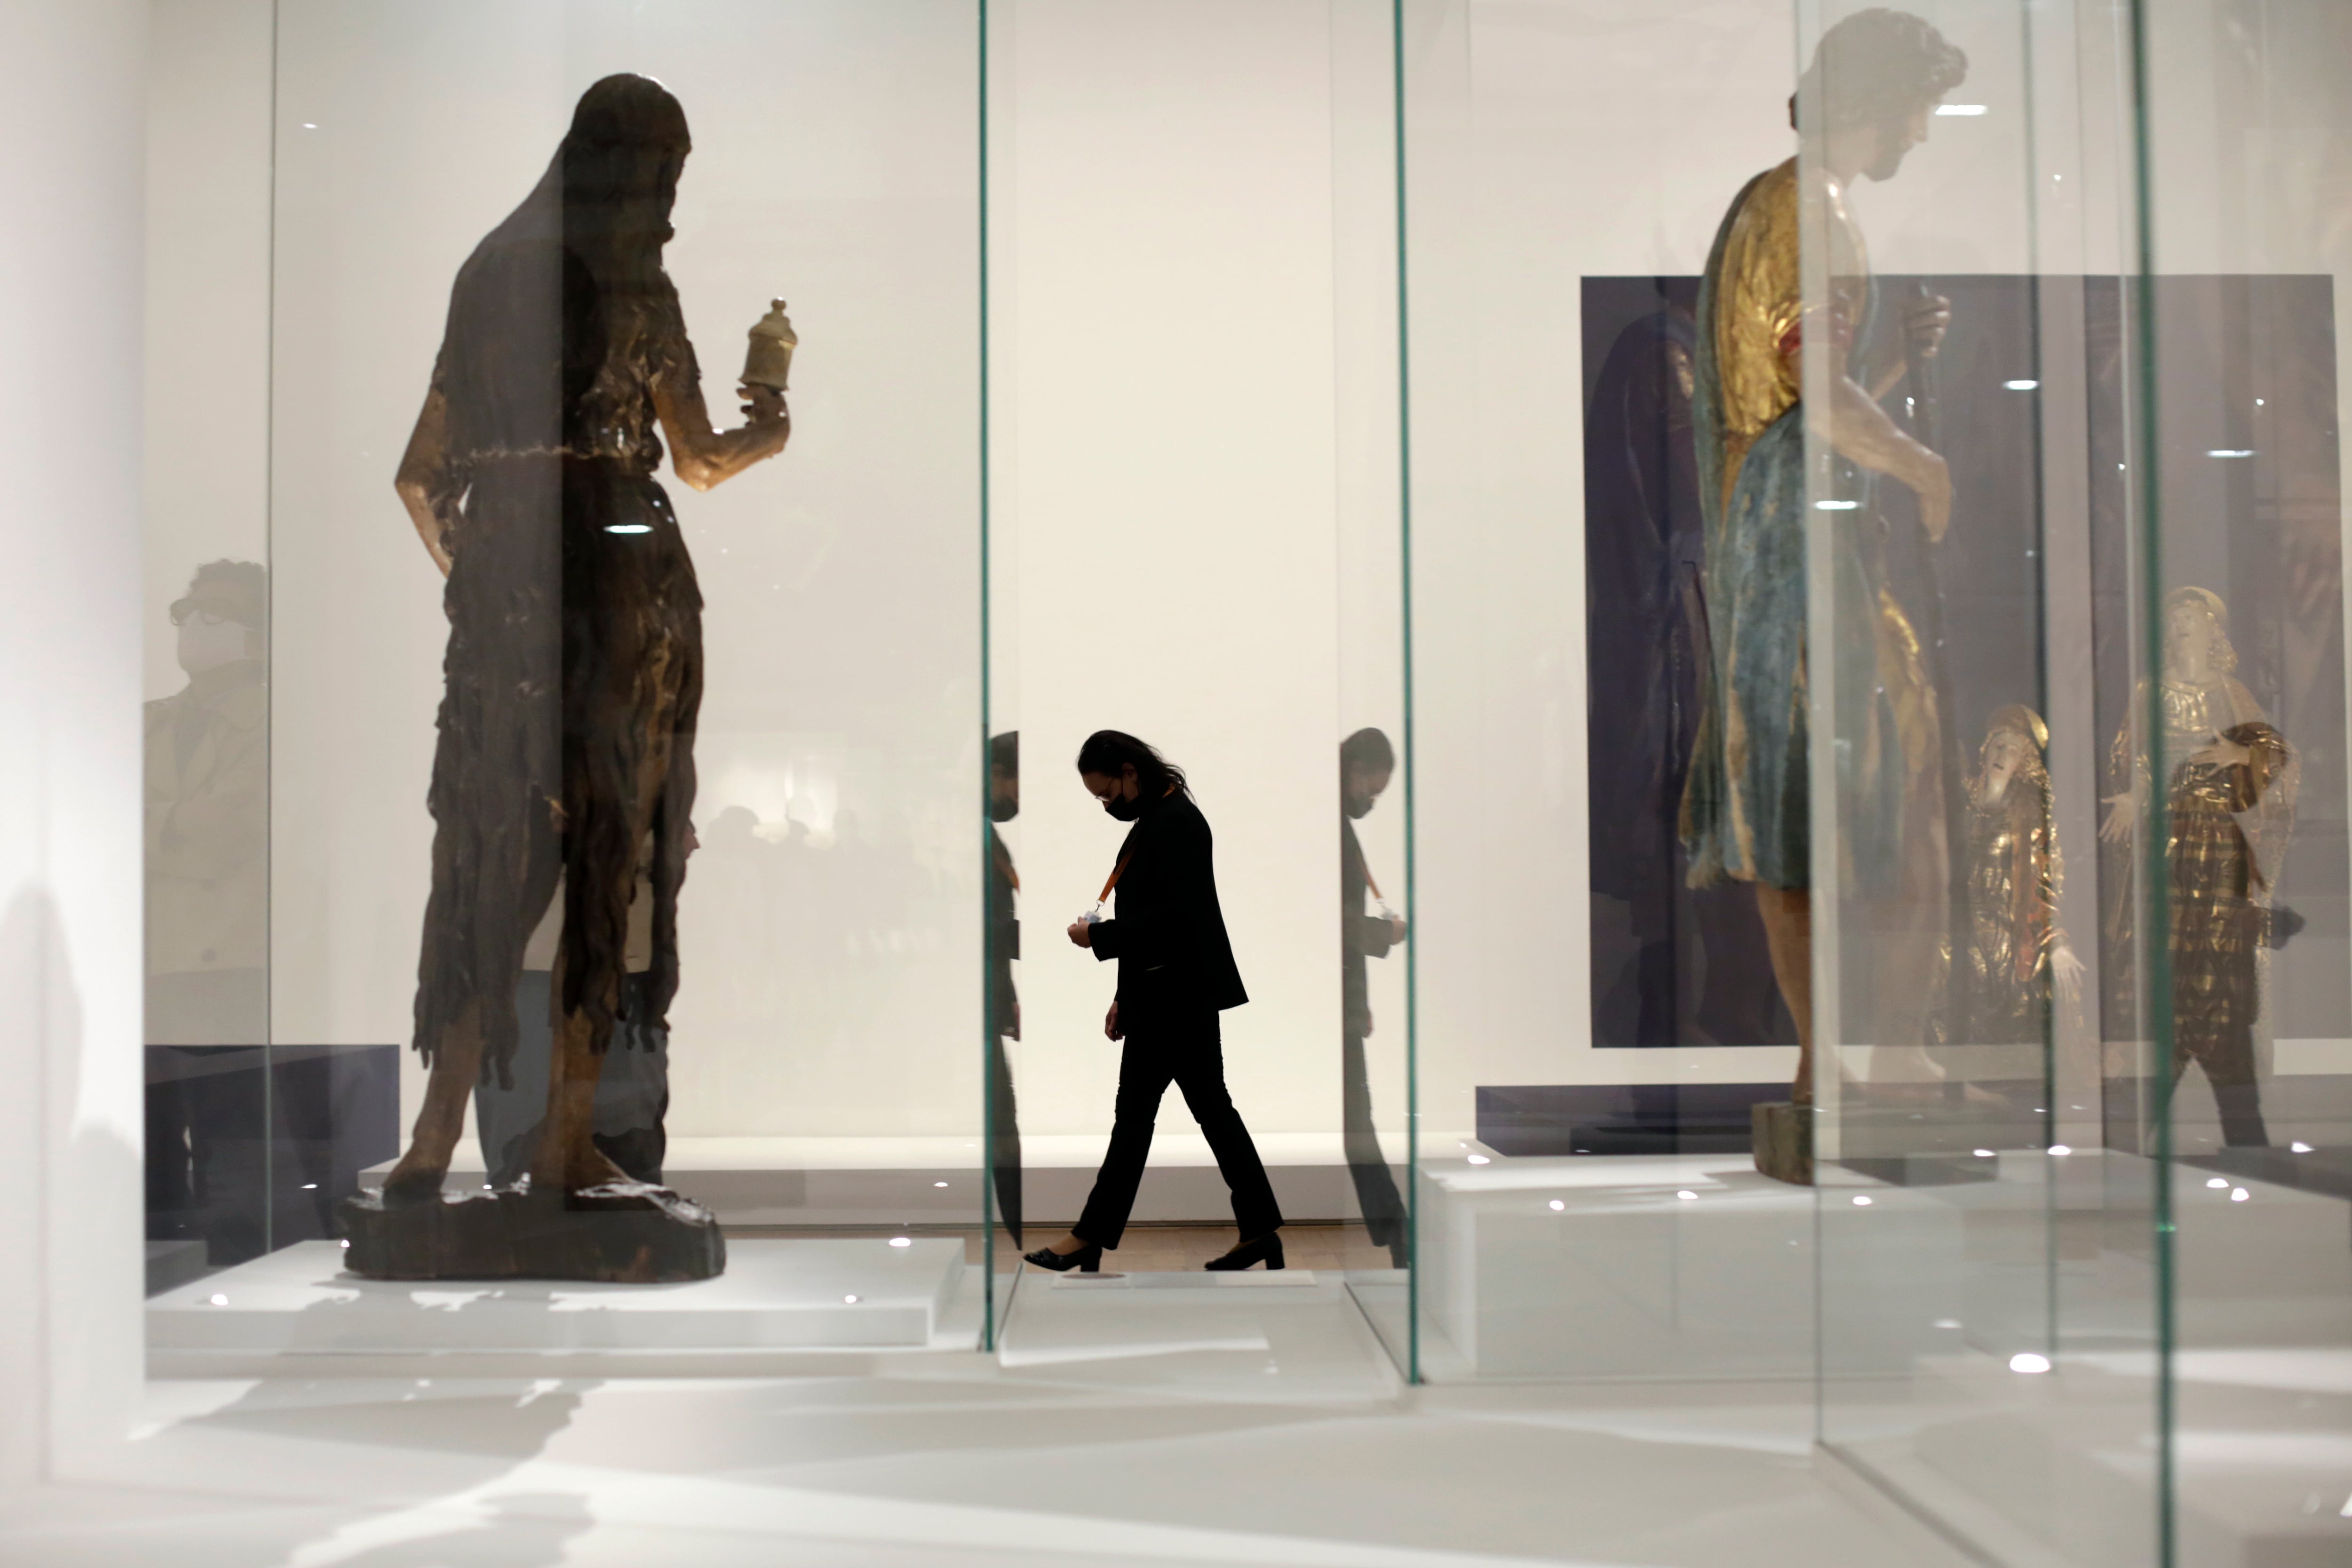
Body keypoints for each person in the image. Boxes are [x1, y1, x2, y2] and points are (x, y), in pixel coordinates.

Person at [380, 74, 792, 1204]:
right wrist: (777, 433)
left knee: (484, 862)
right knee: (610, 858)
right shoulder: (635, 286)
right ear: (643, 169)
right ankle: (566, 1142)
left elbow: (419, 481)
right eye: (668, 171)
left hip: (504, 612)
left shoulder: (485, 276)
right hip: (628, 589)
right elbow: (700, 460)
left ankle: (430, 1147)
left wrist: (497, 590)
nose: (668, 198)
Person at [1679, 9, 1967, 1157]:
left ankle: (1865, 1056)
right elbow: (1815, 400)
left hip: (1804, 532)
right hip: (1785, 546)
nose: (1925, 135)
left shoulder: (1809, 204)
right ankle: (1839, 1062)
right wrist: (1924, 463)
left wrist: (1894, 372)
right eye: (1922, 109)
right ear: (1880, 97)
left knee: (1878, 780)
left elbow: (1807, 386)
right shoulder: (1798, 206)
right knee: (1822, 791)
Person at [1025, 731, 1284, 1272]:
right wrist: (1124, 993)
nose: (1107, 805)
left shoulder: (1178, 824)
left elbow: (1175, 919)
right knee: (1209, 1114)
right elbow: (1163, 918)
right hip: (1168, 993)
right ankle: (1259, 1229)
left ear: (1129, 772)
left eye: (1107, 794)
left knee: (1138, 1119)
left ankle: (1090, 1236)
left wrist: (1099, 938)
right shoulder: (1161, 820)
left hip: (1175, 997)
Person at [2100, 588, 2294, 1147]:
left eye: (2193, 617)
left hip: (2219, 842)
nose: (2181, 624)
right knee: (2159, 947)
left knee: (2219, 954)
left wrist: (2243, 756)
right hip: (2165, 839)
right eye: (2175, 617)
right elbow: (2131, 756)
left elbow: (2276, 756)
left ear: (2214, 633)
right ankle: (2161, 1061)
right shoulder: (2148, 693)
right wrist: (2135, 795)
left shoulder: (2231, 695)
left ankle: (2225, 1064)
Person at [1339, 729, 1408, 1267]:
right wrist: (1385, 934)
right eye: (1372, 789)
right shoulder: (1333, 832)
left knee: (1355, 1118)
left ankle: (1396, 1233)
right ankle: (1397, 1234)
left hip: (1334, 999)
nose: (1369, 801)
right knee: (1355, 1120)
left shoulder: (1332, 826)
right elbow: (1329, 923)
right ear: (1358, 768)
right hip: (1328, 1001)